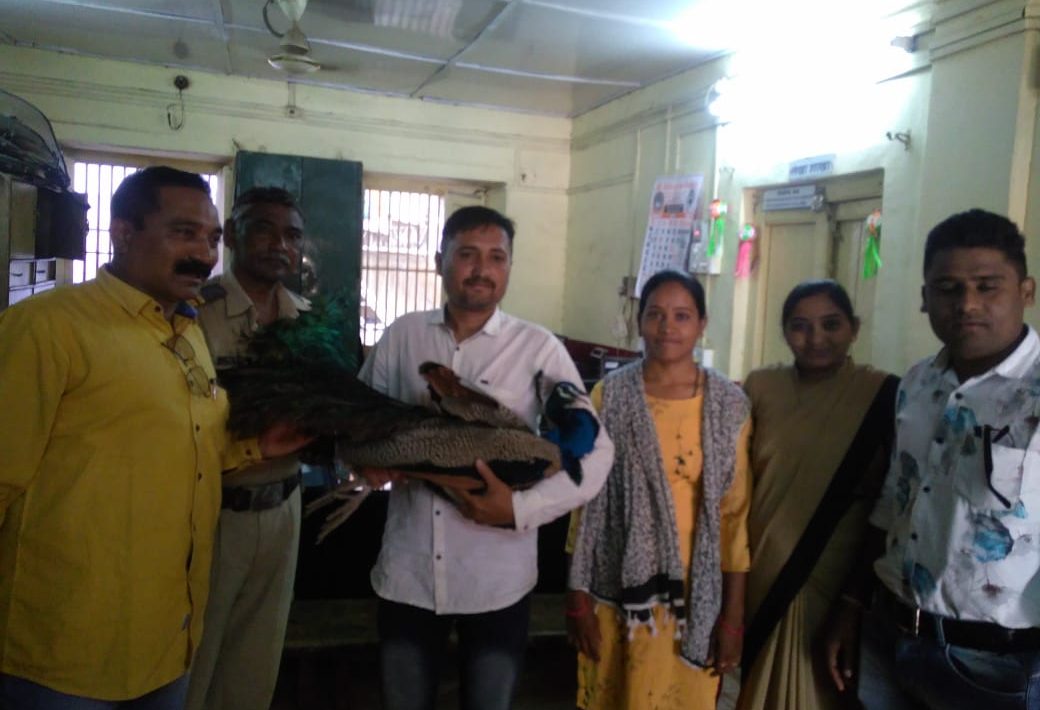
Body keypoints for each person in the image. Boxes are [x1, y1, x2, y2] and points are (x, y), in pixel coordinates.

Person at [0, 166, 308, 709]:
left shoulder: (185, 330)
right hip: (64, 650)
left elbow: (192, 442)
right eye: (183, 233)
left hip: (167, 641)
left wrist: (258, 447)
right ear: (122, 233)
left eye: (210, 238)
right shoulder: (48, 328)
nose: (203, 254)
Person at [357, 205, 614, 710]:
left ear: (509, 267)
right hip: (408, 575)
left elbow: (596, 452)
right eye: (467, 255)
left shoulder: (538, 349)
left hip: (497, 581)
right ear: (440, 261)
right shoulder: (403, 337)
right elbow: (361, 425)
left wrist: (518, 509)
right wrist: (367, 463)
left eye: (497, 257)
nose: (482, 269)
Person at [860, 209, 1040, 709]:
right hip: (889, 635)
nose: (966, 304)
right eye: (947, 288)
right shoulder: (918, 382)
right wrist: (853, 607)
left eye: (987, 287)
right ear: (924, 298)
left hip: (996, 666)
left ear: (1026, 291)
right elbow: (895, 502)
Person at [567, 270, 752, 709]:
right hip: (617, 590)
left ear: (702, 324)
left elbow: (734, 516)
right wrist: (576, 597)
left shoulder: (729, 406)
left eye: (682, 315)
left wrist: (732, 618)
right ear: (640, 321)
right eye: (655, 314)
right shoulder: (609, 396)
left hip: (694, 595)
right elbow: (584, 504)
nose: (668, 327)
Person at [736, 280, 898, 710]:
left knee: (821, 685)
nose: (816, 338)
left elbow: (892, 496)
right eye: (800, 326)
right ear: (785, 331)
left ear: (854, 328)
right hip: (762, 567)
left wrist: (855, 598)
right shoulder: (760, 387)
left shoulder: (883, 395)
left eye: (831, 324)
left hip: (834, 574)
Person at [186, 187, 311, 710]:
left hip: (284, 508)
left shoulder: (305, 320)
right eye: (264, 229)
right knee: (193, 660)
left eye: (292, 235)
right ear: (233, 236)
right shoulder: (195, 312)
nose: (280, 244)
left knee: (255, 665)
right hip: (213, 512)